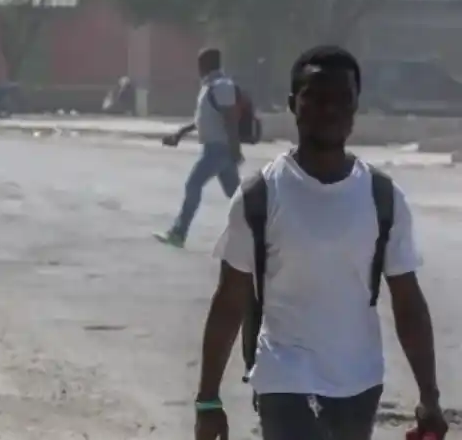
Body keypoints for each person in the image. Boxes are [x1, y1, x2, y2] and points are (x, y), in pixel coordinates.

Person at [191, 46, 446, 440]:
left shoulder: (382, 196)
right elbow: (230, 300)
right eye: (317, 97)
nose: (331, 109)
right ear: (295, 104)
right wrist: (208, 400)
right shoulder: (260, 195)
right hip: (283, 379)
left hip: (359, 384)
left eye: (343, 99)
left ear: (355, 107)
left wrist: (429, 396)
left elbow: (408, 302)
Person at [155, 48, 242, 248]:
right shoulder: (210, 87)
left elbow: (230, 118)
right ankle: (266, 232)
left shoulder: (222, 86)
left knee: (193, 185)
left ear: (204, 65)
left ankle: (178, 233)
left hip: (218, 150)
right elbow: (203, 119)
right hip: (218, 149)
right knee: (237, 196)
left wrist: (235, 148)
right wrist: (180, 134)